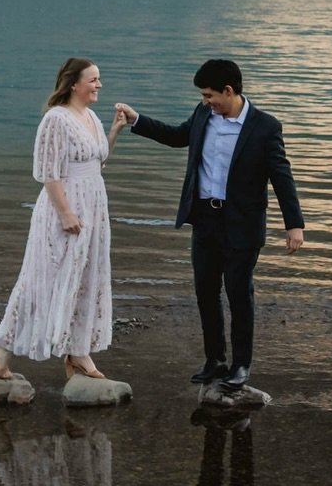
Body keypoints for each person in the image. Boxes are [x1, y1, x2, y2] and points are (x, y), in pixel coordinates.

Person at [115, 58, 303, 390]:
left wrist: (294, 225)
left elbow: (281, 176)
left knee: (238, 294)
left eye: (209, 95)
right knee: (205, 291)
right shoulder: (204, 114)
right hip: (205, 218)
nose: (205, 101)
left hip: (242, 224)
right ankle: (215, 360)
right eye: (203, 96)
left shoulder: (265, 127)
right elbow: (177, 137)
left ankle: (241, 365)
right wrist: (137, 120)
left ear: (228, 91)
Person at [0, 56, 128, 386]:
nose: (99, 85)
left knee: (86, 276)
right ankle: (3, 342)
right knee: (45, 277)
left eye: (99, 79)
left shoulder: (89, 116)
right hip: (65, 208)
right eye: (93, 80)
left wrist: (115, 129)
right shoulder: (56, 120)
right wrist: (65, 213)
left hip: (94, 206)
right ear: (74, 83)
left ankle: (79, 349)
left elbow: (98, 161)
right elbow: (48, 173)